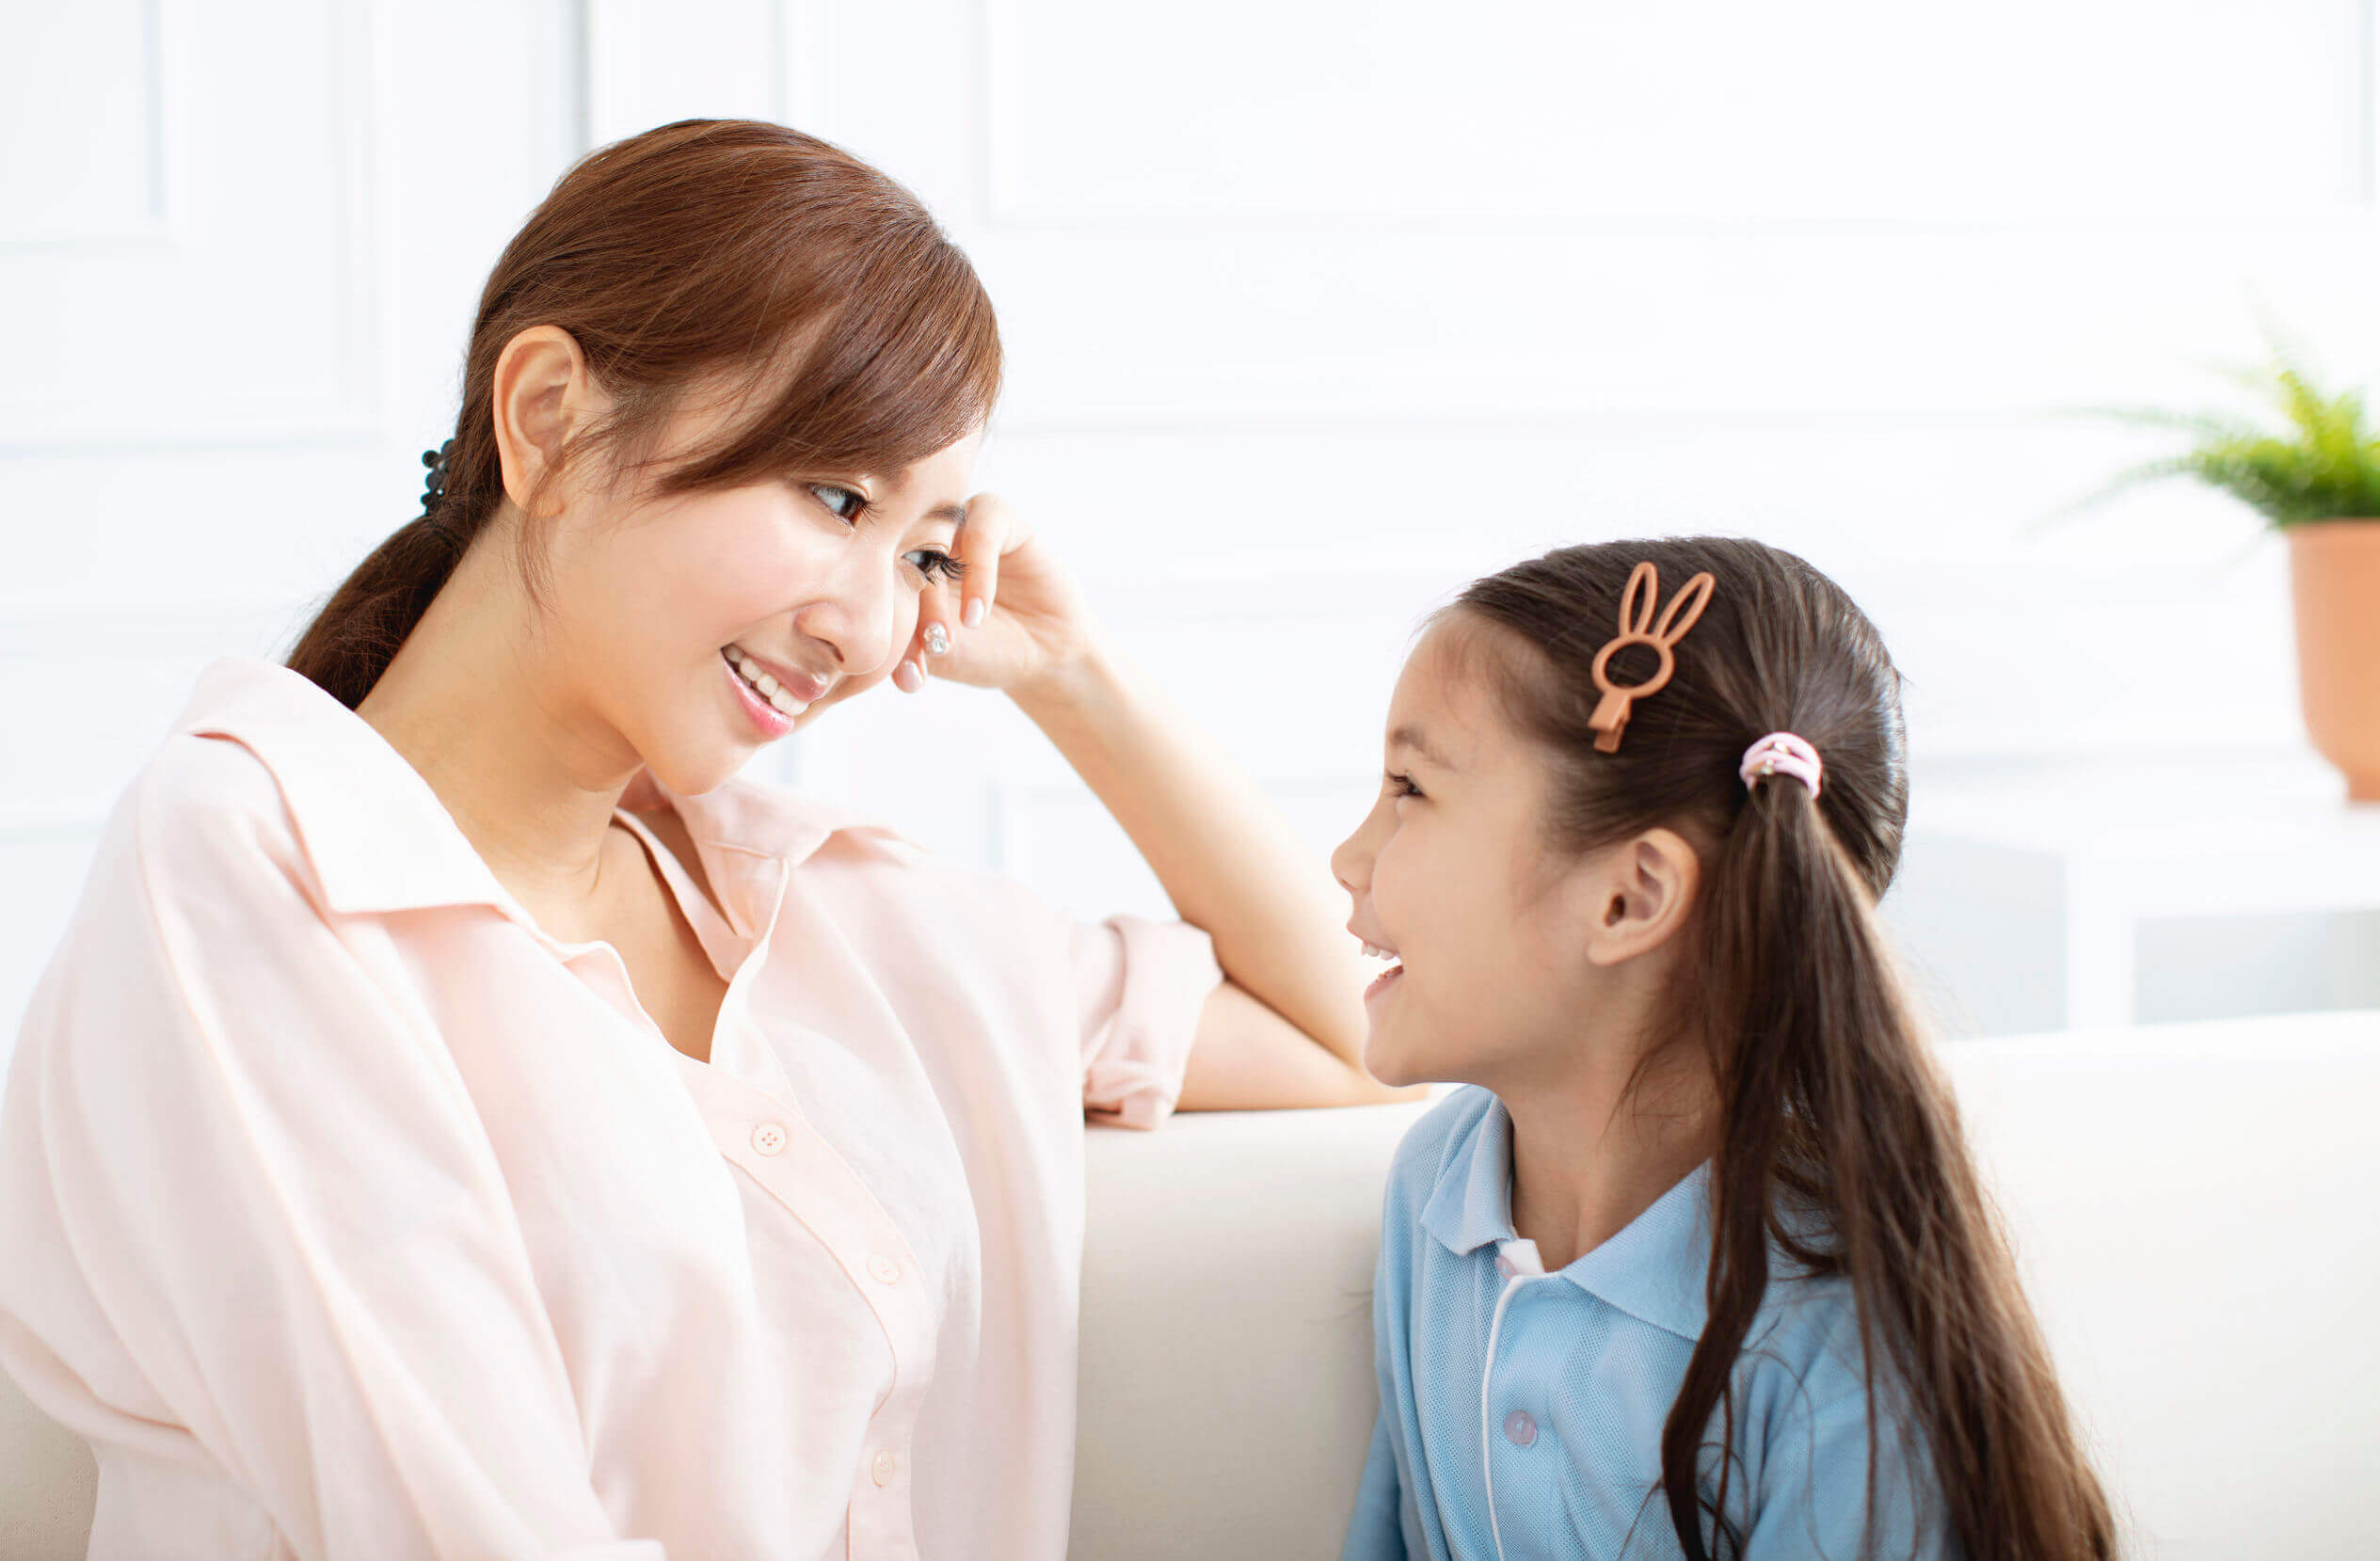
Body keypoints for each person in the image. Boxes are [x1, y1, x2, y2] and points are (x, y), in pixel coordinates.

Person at [0, 119, 1403, 1561]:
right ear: (547, 416)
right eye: (836, 497)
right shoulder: (257, 867)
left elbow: (1373, 1031)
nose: (867, 629)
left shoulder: (842, 916)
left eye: (924, 549)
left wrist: (1075, 673)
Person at [1334, 538, 2116, 1559]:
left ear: (1632, 896)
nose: (1350, 857)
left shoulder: (1839, 1362)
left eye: (1410, 789)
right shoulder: (1438, 1191)